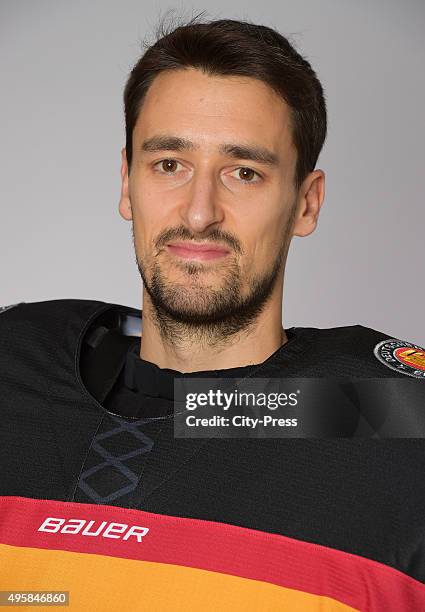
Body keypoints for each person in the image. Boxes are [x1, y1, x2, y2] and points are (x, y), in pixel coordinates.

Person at [1, 15, 425, 612]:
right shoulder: (14, 367)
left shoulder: (389, 419)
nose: (199, 214)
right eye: (169, 164)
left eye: (243, 173)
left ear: (306, 203)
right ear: (127, 182)